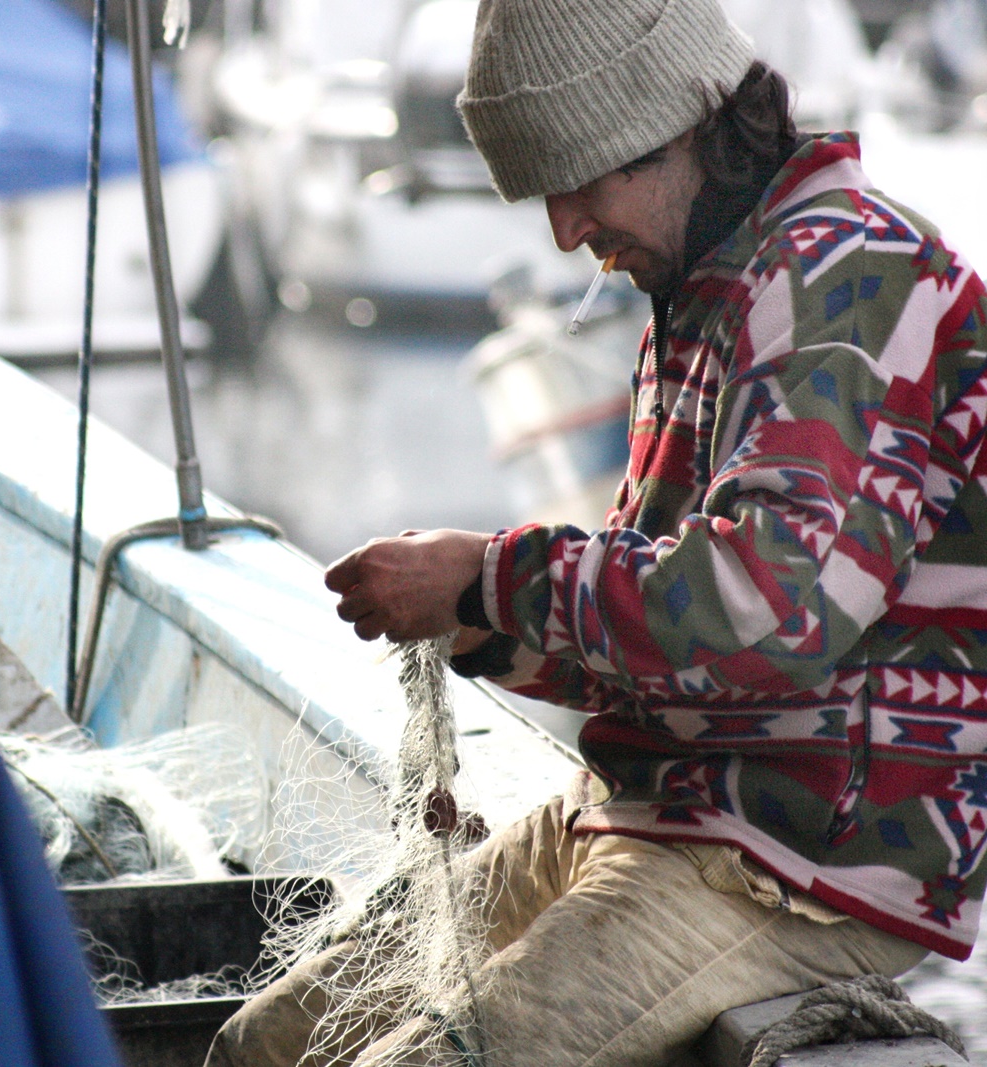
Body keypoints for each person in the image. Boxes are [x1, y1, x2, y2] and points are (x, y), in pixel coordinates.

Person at [207, 0, 987, 1064]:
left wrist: (488, 580)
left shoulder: (842, 274)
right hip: (654, 802)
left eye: (582, 184)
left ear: (687, 128)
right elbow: (665, 639)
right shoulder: (713, 283)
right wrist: (476, 626)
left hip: (798, 856)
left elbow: (766, 610)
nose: (566, 231)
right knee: (264, 1044)